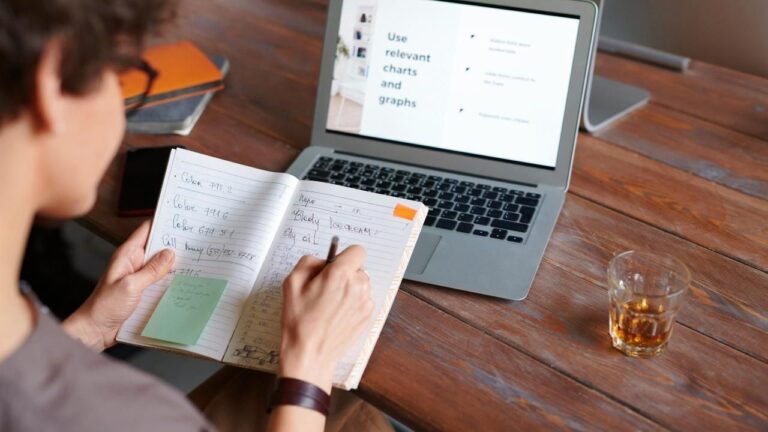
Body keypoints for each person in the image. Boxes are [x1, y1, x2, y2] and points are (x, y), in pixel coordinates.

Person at [0, 1, 387, 430]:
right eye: (121, 71)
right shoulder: (126, 415)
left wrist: (89, 329)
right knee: (352, 414)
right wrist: (308, 366)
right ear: (52, 84)